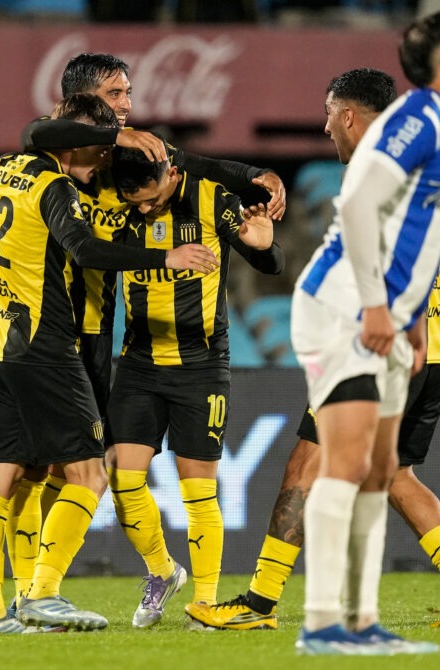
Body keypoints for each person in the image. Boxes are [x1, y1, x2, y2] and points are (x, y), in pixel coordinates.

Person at [185, 67, 440, 634]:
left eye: (329, 116)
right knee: (394, 471)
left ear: (349, 115)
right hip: (436, 350)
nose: (326, 128)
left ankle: (259, 602)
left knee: (305, 465)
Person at [3, 53, 288, 610]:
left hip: (119, 345)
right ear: (81, 101)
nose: (127, 105)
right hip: (64, 338)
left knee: (83, 472)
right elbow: (33, 134)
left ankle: (51, 592)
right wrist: (115, 135)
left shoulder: (151, 166)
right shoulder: (62, 159)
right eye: (115, 94)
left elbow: (208, 170)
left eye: (128, 94)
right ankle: (37, 592)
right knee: (53, 472)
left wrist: (260, 179)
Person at [0, 92, 218, 635]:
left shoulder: (0, 169)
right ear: (78, 139)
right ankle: (44, 594)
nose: (105, 160)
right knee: (88, 474)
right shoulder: (54, 186)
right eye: (100, 148)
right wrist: (166, 257)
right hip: (43, 347)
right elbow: (85, 250)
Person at [291, 10, 440, 655]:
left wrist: (405, 318)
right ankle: (325, 624)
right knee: (349, 466)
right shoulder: (421, 119)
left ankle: (360, 623)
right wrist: (381, 309)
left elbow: (429, 245)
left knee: (380, 471)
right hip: (342, 305)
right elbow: (356, 205)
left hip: (383, 315)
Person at [107, 141, 285, 628]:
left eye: (151, 199)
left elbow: (270, 263)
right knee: (122, 481)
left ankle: (204, 604)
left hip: (201, 367)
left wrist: (264, 244)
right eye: (136, 203)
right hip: (139, 364)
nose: (145, 209)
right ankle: (162, 571)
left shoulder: (209, 198)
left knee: (199, 492)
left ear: (170, 173)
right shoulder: (116, 203)